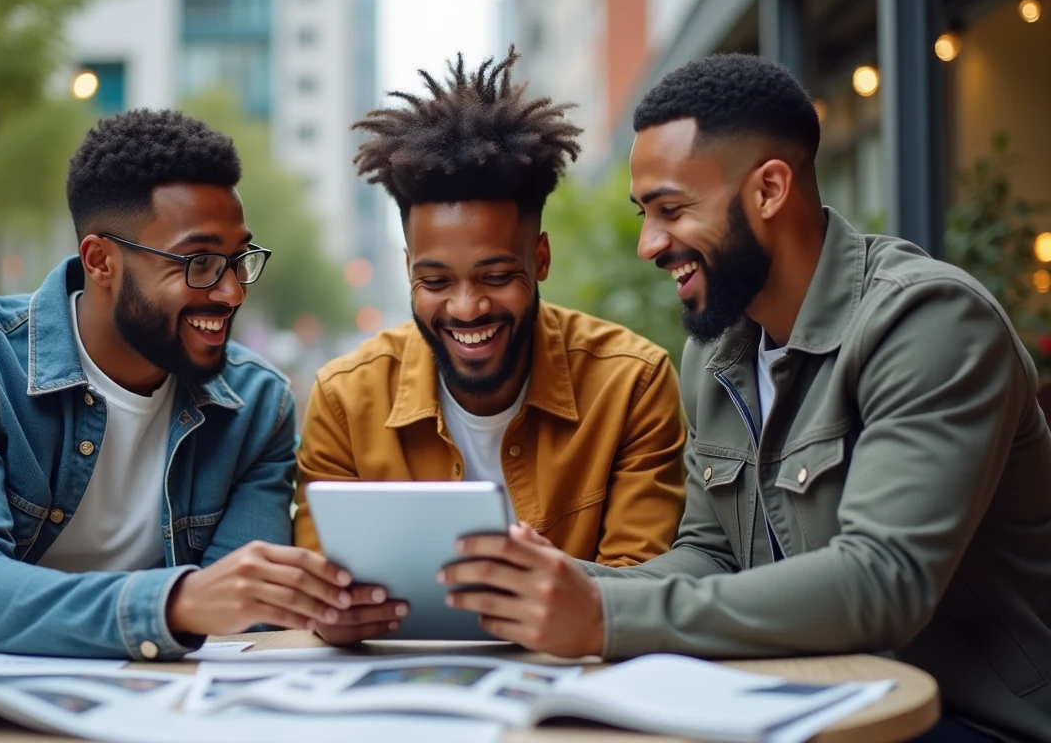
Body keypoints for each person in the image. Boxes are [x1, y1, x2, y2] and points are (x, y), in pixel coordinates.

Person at [437, 53, 1051, 741]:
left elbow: (885, 580)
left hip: (964, 719)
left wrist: (606, 617)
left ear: (768, 190)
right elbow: (710, 553)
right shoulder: (718, 350)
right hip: (802, 699)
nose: (648, 243)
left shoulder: (928, 322)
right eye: (644, 213)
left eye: (671, 209)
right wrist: (551, 580)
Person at [0, 110, 367, 677]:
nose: (229, 292)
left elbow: (242, 622)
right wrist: (172, 604)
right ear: (101, 260)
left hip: (156, 704)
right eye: (198, 263)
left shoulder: (255, 406)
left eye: (238, 260)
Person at [293, 48, 687, 646]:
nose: (466, 307)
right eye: (436, 282)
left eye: (496, 277)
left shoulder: (632, 383)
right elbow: (317, 590)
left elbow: (641, 590)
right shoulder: (345, 399)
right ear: (407, 272)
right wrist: (329, 615)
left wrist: (556, 581)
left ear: (542, 260)